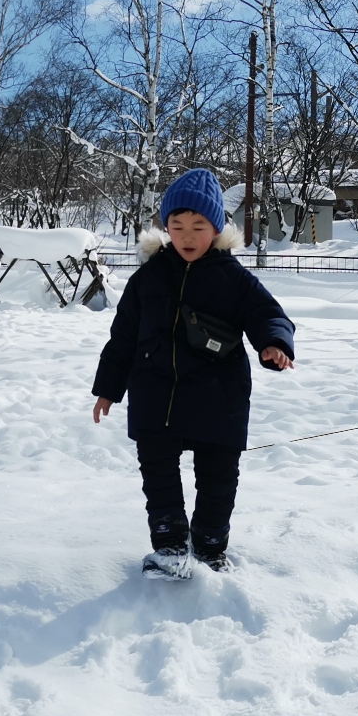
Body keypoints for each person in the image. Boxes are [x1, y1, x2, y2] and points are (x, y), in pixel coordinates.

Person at [92, 167, 295, 579]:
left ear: (217, 228)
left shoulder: (232, 277)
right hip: (155, 396)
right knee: (158, 474)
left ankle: (209, 546)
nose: (187, 236)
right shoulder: (149, 276)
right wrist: (108, 388)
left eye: (198, 226)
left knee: (218, 479)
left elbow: (267, 313)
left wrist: (274, 343)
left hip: (217, 398)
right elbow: (124, 336)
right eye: (177, 225)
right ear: (165, 227)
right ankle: (168, 545)